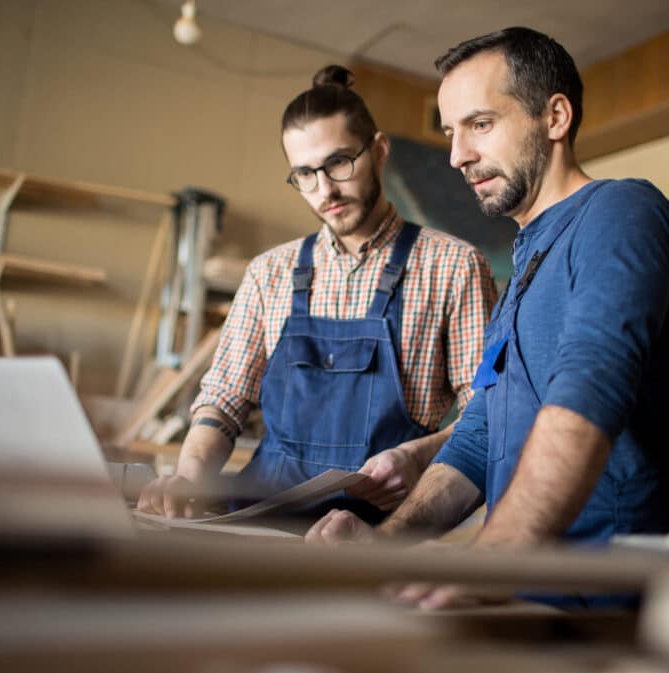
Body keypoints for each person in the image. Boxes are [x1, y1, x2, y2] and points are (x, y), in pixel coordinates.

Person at [306, 27, 669, 608]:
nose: (457, 155)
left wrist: (486, 560)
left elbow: (589, 395)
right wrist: (381, 548)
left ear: (556, 117)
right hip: (522, 597)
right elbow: (479, 437)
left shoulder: (620, 213)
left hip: (608, 607)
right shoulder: (526, 265)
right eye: (450, 132)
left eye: (480, 125)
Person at [137, 65, 497, 525]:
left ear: (380, 151)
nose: (325, 189)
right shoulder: (270, 272)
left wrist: (417, 456)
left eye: (339, 163)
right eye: (305, 174)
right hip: (261, 518)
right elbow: (225, 400)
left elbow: (487, 413)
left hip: (381, 531)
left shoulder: (453, 266)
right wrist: (188, 477)